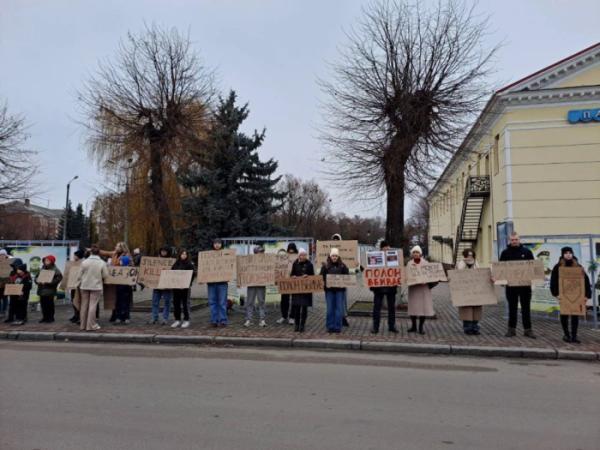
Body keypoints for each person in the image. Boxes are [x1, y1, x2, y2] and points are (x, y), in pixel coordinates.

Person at [550, 247, 592, 344]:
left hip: (576, 296)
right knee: (564, 315)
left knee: (575, 316)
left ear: (572, 254)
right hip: (564, 296)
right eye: (566, 253)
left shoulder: (577, 266)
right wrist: (556, 294)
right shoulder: (558, 267)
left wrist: (586, 295)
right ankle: (566, 334)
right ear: (562, 255)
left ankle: (574, 335)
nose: (568, 255)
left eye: (570, 253)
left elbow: (585, 281)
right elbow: (554, 282)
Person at [499, 232, 536, 338]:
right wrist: (499, 279)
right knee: (512, 308)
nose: (514, 241)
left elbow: (533, 267)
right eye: (512, 240)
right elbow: (500, 269)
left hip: (525, 286)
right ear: (509, 241)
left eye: (516, 239)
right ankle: (511, 330)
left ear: (519, 240)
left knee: (526, 308)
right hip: (511, 286)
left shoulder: (527, 252)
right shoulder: (505, 253)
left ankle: (528, 330)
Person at [77, 244, 109, 331]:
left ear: (90, 252)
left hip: (84, 285)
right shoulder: (102, 263)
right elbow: (105, 275)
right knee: (92, 305)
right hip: (96, 286)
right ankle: (91, 325)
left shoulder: (84, 262)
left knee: (84, 305)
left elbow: (79, 276)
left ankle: (82, 325)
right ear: (99, 253)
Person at [370, 241, 399, 334]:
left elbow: (398, 270)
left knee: (391, 308)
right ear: (381, 249)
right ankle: (375, 327)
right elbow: (369, 269)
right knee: (377, 308)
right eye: (385, 248)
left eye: (388, 248)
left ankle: (391, 326)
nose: (387, 250)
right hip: (378, 288)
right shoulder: (375, 257)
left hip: (391, 287)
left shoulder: (394, 258)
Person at [407, 246, 435, 335]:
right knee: (413, 308)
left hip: (423, 289)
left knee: (423, 308)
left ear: (420, 254)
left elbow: (430, 275)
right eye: (414, 252)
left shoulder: (426, 263)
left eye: (417, 252)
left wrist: (426, 281)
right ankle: (413, 326)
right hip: (414, 289)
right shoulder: (409, 263)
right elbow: (407, 275)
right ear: (412, 254)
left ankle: (421, 327)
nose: (415, 254)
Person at [321, 247, 349, 333]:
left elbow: (347, 277)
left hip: (339, 291)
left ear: (338, 256)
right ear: (330, 256)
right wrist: (326, 285)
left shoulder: (343, 266)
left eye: (336, 256)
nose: (334, 257)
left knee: (339, 309)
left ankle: (337, 327)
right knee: (330, 309)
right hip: (329, 291)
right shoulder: (325, 266)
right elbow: (321, 278)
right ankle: (330, 326)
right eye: (333, 256)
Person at [456, 248, 483, 335]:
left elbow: (479, 273)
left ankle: (475, 328)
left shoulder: (476, 263)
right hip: (465, 290)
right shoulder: (461, 263)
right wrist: (465, 264)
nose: (469, 257)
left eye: (471, 255)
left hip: (475, 290)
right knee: (466, 310)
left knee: (476, 310)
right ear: (465, 255)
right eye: (468, 255)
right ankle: (467, 328)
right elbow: (459, 273)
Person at [290, 248, 314, 332]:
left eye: (304, 255)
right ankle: (296, 324)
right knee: (296, 308)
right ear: (299, 255)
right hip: (297, 290)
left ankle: (302, 325)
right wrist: (293, 276)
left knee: (304, 309)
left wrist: (308, 276)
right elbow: (292, 274)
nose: (303, 256)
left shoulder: (309, 264)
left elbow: (313, 276)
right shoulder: (295, 264)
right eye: (301, 255)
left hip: (306, 290)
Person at [244, 245, 268, 328]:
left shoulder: (265, 262)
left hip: (261, 284)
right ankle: (248, 319)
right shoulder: (249, 261)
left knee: (261, 301)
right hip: (251, 284)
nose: (261, 254)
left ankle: (262, 319)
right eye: (259, 252)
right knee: (250, 302)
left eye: (262, 252)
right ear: (255, 253)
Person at [207, 239, 229, 327]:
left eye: (219, 243)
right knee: (212, 302)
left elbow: (229, 267)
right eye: (215, 243)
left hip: (222, 283)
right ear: (212, 244)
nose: (217, 245)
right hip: (211, 283)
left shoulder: (226, 254)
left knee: (222, 302)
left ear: (221, 244)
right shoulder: (208, 256)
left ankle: (223, 320)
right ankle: (214, 320)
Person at [171, 249, 195, 329]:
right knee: (176, 304)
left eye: (185, 254)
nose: (183, 255)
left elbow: (192, 275)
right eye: (182, 254)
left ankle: (186, 319)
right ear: (180, 255)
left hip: (185, 287)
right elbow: (172, 273)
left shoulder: (189, 264)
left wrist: (187, 283)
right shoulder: (176, 263)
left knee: (185, 304)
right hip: (176, 287)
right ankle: (177, 319)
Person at [35, 255, 63, 323]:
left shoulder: (55, 269)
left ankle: (50, 318)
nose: (46, 262)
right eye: (45, 260)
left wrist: (49, 282)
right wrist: (37, 281)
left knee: (49, 305)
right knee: (43, 304)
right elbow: (36, 277)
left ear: (51, 261)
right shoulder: (42, 268)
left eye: (47, 260)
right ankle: (44, 317)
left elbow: (59, 278)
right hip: (41, 289)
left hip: (50, 290)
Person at [331, 233, 350, 327]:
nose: (335, 242)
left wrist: (356, 264)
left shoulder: (345, 252)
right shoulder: (330, 254)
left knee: (342, 301)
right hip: (331, 283)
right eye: (334, 241)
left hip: (342, 282)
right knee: (333, 302)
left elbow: (350, 267)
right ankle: (336, 318)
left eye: (337, 240)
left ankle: (343, 317)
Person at [150, 246, 174, 325]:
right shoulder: (156, 261)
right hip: (157, 285)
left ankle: (165, 318)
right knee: (155, 301)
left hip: (167, 286)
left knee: (167, 302)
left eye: (165, 251)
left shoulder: (172, 262)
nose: (163, 253)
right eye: (162, 251)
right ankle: (154, 317)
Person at [276, 243, 299, 325]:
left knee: (294, 300)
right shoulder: (283, 258)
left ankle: (292, 317)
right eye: (289, 251)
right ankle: (284, 316)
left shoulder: (298, 258)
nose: (291, 253)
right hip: (285, 282)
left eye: (292, 252)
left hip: (294, 282)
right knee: (284, 300)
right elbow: (279, 268)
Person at [115, 254, 133, 324]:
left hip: (123, 288)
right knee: (123, 303)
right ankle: (124, 317)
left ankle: (123, 317)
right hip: (123, 287)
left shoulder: (127, 269)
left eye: (121, 261)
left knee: (123, 303)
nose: (120, 262)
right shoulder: (119, 268)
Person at [4, 258, 23, 323]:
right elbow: (10, 280)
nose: (15, 267)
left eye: (16, 265)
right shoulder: (12, 272)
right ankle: (10, 318)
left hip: (20, 292)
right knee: (11, 305)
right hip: (12, 291)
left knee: (19, 306)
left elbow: (24, 282)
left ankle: (18, 318)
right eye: (14, 265)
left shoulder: (23, 272)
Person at [68, 249, 85, 324]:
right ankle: (76, 315)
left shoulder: (83, 263)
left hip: (79, 286)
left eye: (75, 255)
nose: (74, 257)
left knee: (79, 301)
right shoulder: (74, 263)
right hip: (73, 285)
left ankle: (79, 316)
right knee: (73, 300)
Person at [0, 249, 10, 317]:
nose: (2, 256)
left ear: (5, 255)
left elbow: (9, 274)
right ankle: (0, 311)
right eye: (1, 255)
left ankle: (4, 311)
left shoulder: (8, 263)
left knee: (5, 298)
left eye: (3, 255)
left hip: (5, 283)